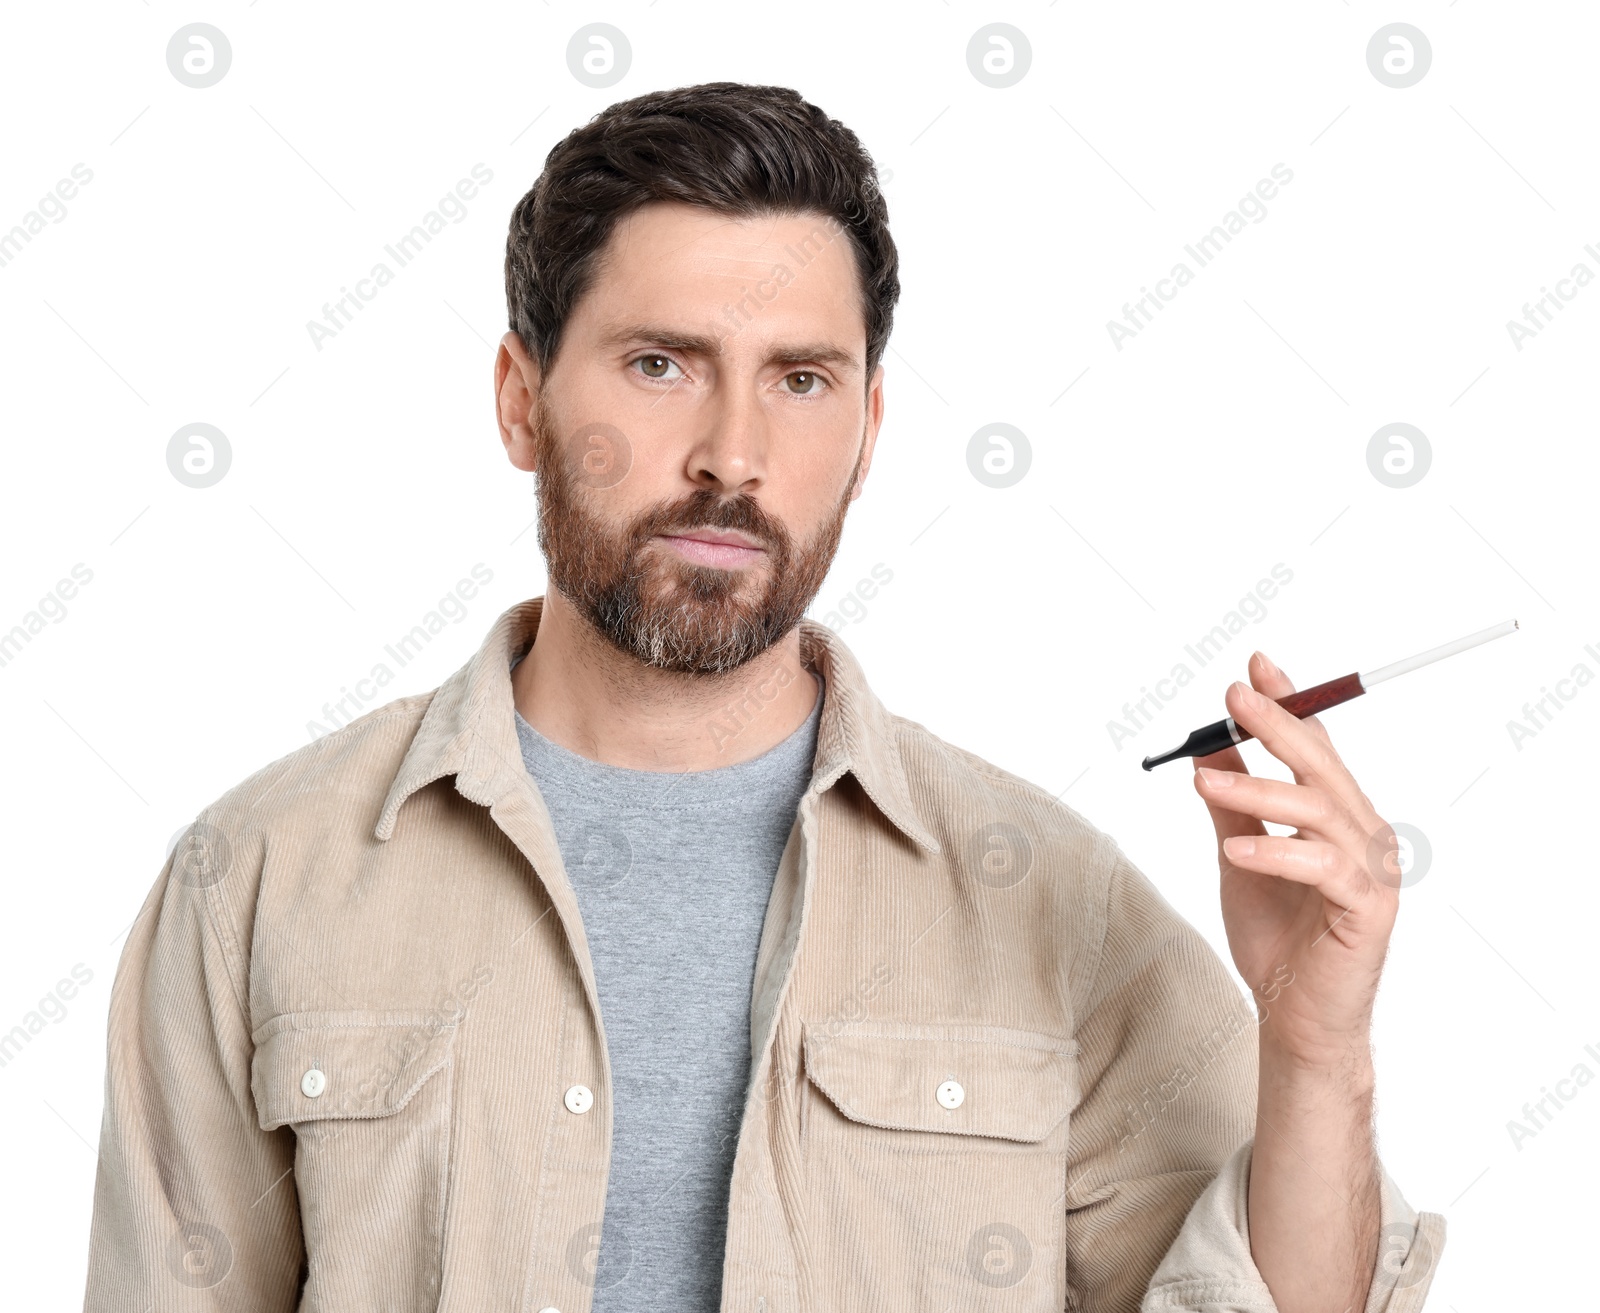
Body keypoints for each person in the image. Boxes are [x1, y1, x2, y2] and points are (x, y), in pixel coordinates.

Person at [83, 82, 1443, 1312]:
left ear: (865, 435)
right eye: (661, 363)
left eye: (801, 380)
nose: (733, 454)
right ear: (520, 400)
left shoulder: (1057, 908)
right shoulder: (256, 880)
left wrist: (1317, 1043)